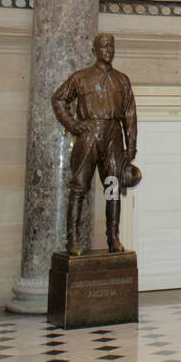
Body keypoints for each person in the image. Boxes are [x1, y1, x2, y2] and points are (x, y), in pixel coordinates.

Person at [52, 33, 138, 255]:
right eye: (103, 47)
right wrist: (72, 124)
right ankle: (72, 240)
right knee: (79, 187)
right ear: (95, 51)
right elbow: (59, 99)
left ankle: (113, 237)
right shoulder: (81, 77)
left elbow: (129, 114)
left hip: (113, 134)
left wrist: (131, 146)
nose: (108, 50)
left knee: (113, 187)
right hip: (89, 133)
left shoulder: (122, 80)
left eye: (111, 47)